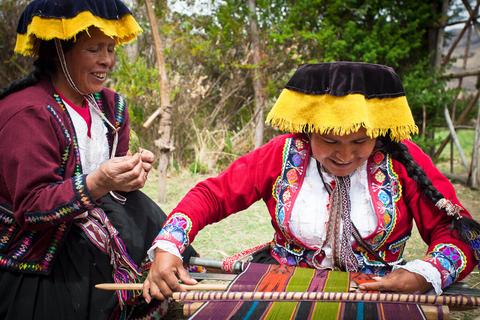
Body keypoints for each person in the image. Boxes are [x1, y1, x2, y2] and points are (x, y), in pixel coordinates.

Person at [143, 62, 480, 302]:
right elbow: (213, 195)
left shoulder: (402, 160)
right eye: (330, 142)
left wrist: (424, 274)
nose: (345, 155)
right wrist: (170, 246)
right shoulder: (282, 154)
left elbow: (457, 233)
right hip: (282, 285)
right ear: (306, 131)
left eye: (360, 142)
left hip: (377, 292)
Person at [0, 0, 196, 319]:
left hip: (97, 240)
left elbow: (112, 186)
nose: (107, 60)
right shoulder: (27, 113)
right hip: (39, 261)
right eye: (94, 49)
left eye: (110, 49)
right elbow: (32, 207)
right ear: (59, 50)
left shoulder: (110, 107)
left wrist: (129, 175)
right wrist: (99, 181)